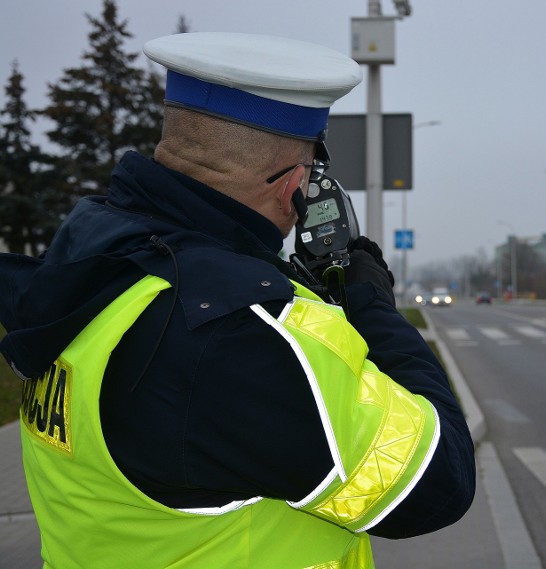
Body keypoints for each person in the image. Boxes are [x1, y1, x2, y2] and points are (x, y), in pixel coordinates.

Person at [0, 32, 475, 569]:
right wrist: (373, 308)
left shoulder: (92, 260)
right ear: (293, 184)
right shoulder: (234, 334)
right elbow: (441, 483)